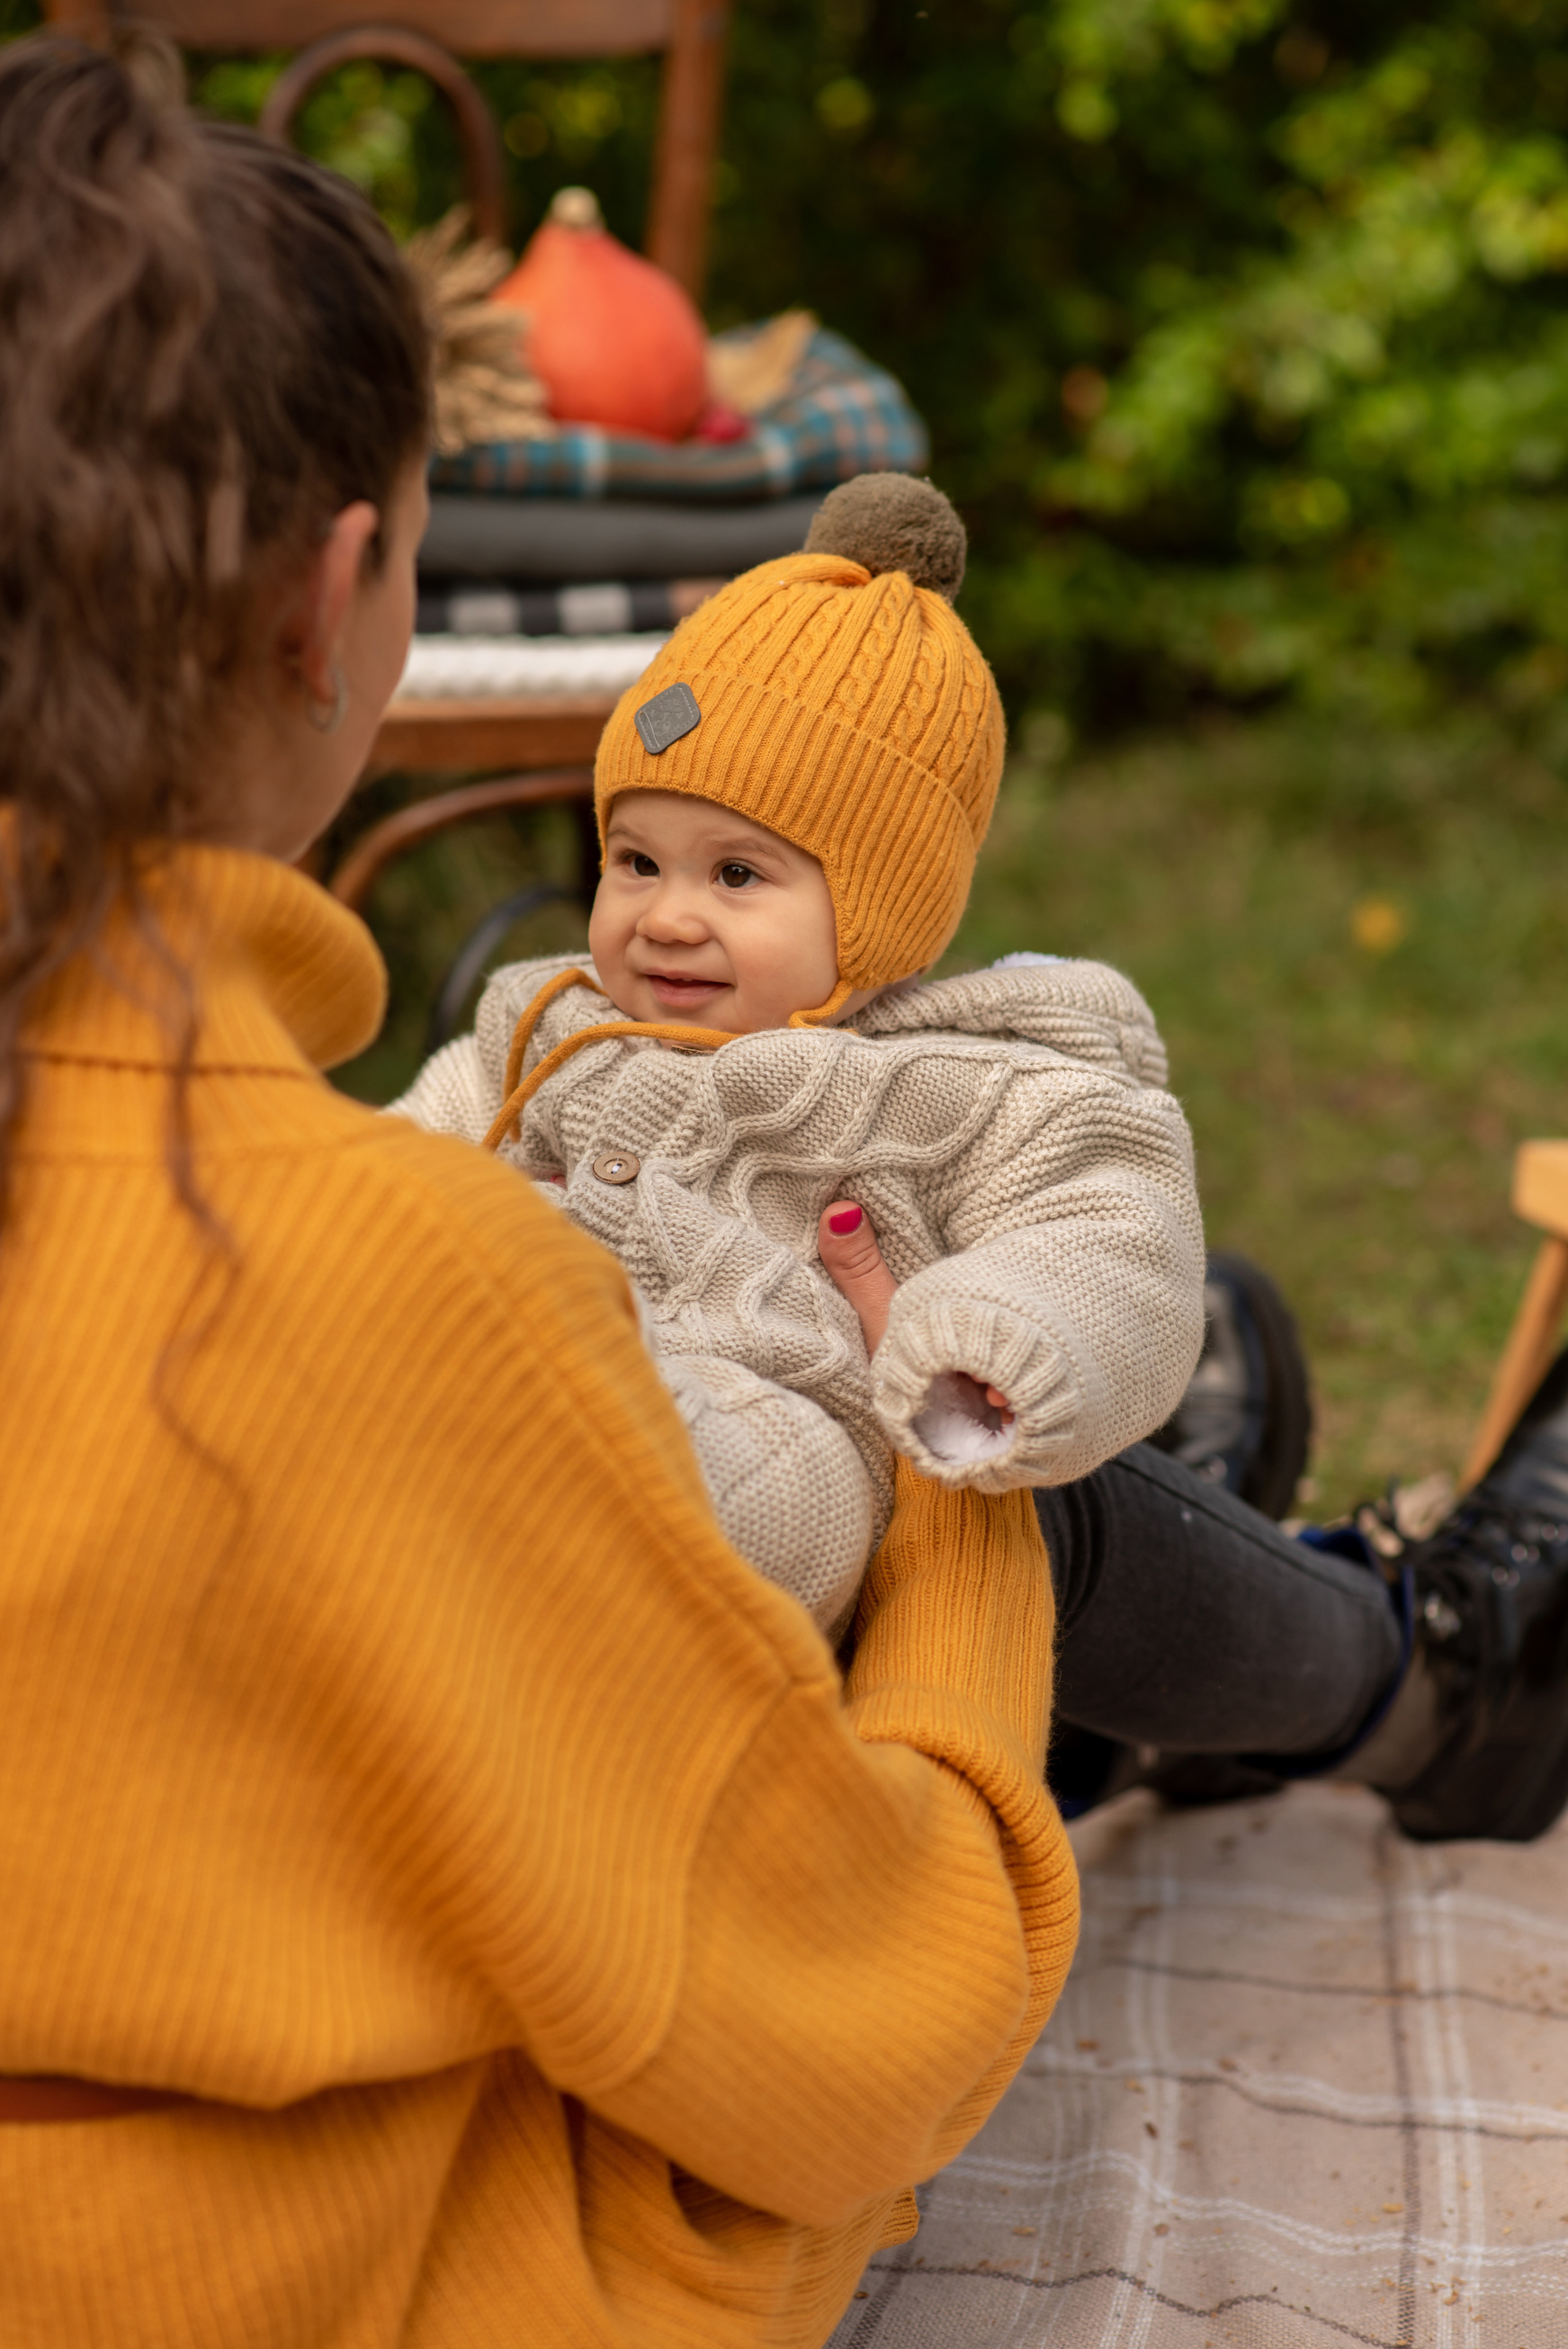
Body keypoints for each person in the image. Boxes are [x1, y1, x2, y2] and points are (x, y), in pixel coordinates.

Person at [0, 36, 1082, 2346]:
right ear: (341, 594)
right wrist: (966, 1478)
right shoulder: (406, 1286)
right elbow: (856, 2046)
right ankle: (1400, 1645)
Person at [390, 472, 1207, 1634]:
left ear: (879, 906)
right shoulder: (548, 1030)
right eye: (636, 861)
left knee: (738, 1486)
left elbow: (1114, 1238)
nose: (667, 916)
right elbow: (408, 1145)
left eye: (736, 875)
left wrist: (989, 1335)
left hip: (784, 1424)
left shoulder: (971, 1084)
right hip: (518, 1361)